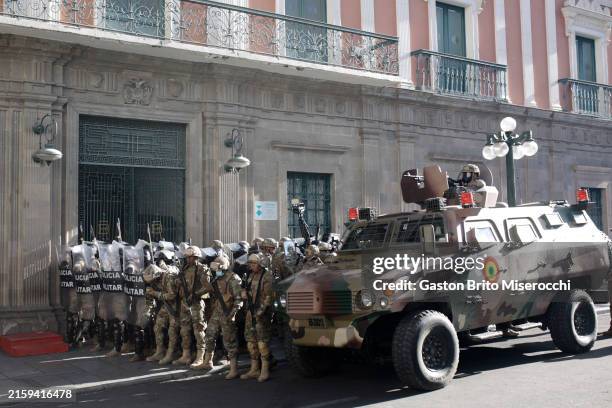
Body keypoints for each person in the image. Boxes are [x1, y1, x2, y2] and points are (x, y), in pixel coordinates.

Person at [202, 256, 243, 378]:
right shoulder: (217, 277)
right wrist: (205, 278)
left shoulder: (233, 279)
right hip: (217, 311)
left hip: (228, 312)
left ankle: (234, 368)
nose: (215, 271)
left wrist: (233, 313)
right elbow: (210, 289)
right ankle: (208, 361)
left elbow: (239, 299)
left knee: (229, 340)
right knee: (209, 334)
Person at [175, 246, 211, 369]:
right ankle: (186, 355)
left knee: (198, 330)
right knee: (184, 330)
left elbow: (208, 287)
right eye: (187, 257)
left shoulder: (202, 269)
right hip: (185, 302)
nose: (188, 259)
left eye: (191, 257)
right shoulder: (184, 269)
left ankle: (200, 356)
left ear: (196, 257)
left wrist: (195, 294)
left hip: (196, 303)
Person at [241, 253, 274, 382]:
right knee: (250, 342)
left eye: (253, 263)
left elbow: (269, 297)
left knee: (262, 343)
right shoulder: (250, 275)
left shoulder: (267, 276)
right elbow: (248, 291)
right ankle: (254, 369)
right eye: (250, 263)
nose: (251, 266)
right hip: (250, 313)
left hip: (261, 314)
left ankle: (265, 370)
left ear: (260, 264)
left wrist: (261, 312)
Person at [144, 249, 180, 363]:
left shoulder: (168, 277)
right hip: (165, 305)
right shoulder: (153, 280)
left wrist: (155, 293)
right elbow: (150, 297)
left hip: (176, 306)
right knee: (158, 326)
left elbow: (172, 295)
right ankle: (159, 352)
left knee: (172, 330)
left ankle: (171, 353)